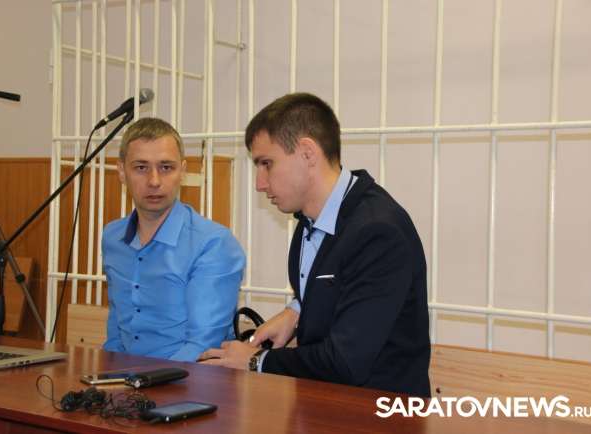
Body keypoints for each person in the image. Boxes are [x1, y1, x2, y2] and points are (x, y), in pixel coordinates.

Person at [197, 93, 431, 397]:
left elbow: (346, 362)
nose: (259, 183)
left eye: (266, 163)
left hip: (378, 412)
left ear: (307, 153)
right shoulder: (313, 215)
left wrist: (256, 360)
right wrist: (297, 309)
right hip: (323, 403)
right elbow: (342, 281)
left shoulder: (377, 232)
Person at [102, 117, 246, 362]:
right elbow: (117, 327)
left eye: (166, 167)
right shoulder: (112, 237)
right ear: (122, 173)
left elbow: (202, 345)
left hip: (189, 380)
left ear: (183, 172)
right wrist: (106, 375)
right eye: (141, 168)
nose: (154, 181)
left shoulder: (213, 244)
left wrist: (145, 383)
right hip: (126, 379)